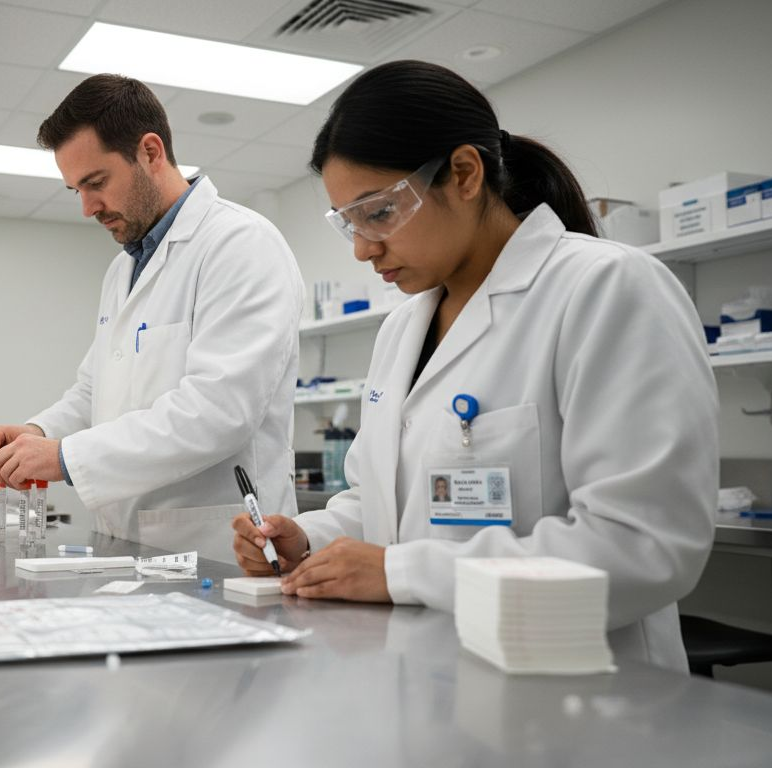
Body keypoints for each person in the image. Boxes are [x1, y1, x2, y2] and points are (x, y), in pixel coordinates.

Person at [231, 60, 717, 672]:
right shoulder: (402, 329)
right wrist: (310, 541)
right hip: (425, 678)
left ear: (464, 173)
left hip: (580, 693)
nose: (362, 248)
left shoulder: (606, 288)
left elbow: (644, 547)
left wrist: (401, 572)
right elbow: (381, 501)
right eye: (347, 223)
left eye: (378, 213)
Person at [0, 74, 303, 558]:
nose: (88, 207)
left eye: (96, 183)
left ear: (151, 152)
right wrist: (39, 433)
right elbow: (96, 391)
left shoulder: (240, 245)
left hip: (217, 549)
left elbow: (219, 411)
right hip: (126, 544)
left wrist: (65, 458)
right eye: (76, 190)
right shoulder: (124, 267)